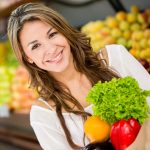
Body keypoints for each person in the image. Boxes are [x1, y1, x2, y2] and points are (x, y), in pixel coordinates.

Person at [7, 2, 150, 150]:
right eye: (35, 46)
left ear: (64, 32)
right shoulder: (43, 116)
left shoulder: (116, 58)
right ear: (27, 57)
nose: (50, 49)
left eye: (52, 34)